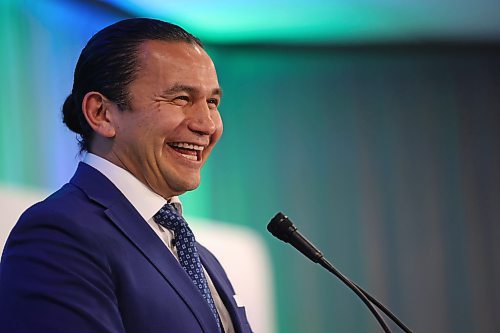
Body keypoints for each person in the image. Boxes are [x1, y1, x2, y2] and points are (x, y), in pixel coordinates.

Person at [0, 18, 252, 333]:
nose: (207, 124)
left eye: (212, 102)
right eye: (180, 99)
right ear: (101, 114)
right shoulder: (57, 235)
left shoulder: (199, 256)